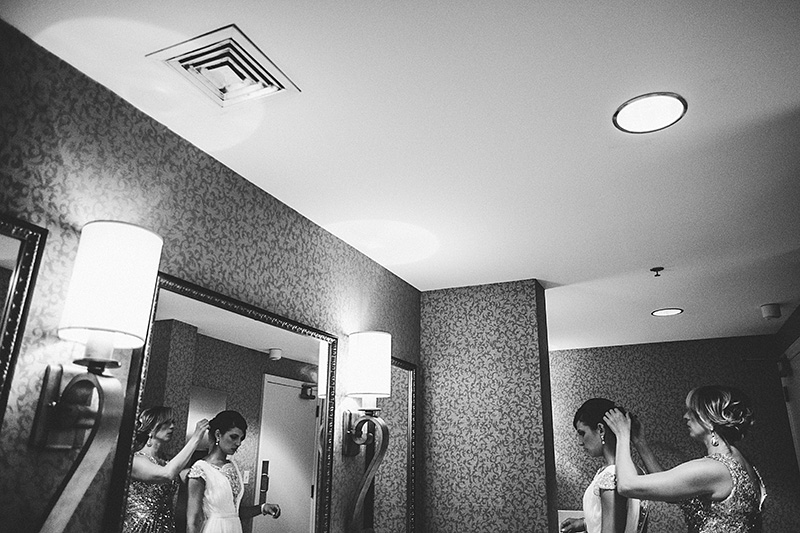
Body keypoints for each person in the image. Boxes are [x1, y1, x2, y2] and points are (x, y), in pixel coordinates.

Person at [604, 385, 766, 533]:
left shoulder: (712, 469)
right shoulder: (741, 462)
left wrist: (622, 434)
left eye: (691, 411)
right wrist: (640, 443)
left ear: (710, 421)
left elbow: (626, 485)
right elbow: (672, 491)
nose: (685, 416)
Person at [560, 399, 648, 533]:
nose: (580, 442)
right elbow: (623, 519)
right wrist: (585, 523)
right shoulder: (637, 471)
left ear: (601, 429)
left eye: (582, 433)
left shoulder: (611, 475)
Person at [186, 410, 280, 533]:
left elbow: (234, 512)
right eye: (234, 437)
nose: (238, 443)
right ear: (218, 434)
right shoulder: (201, 469)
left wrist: (263, 508)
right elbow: (193, 520)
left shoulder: (232, 466)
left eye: (241, 438)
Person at [123, 406, 210, 533]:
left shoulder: (166, 461)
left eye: (173, 422)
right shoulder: (136, 460)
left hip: (165, 526)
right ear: (150, 429)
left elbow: (190, 474)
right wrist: (196, 437)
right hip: (140, 527)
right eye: (167, 422)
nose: (172, 426)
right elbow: (166, 474)